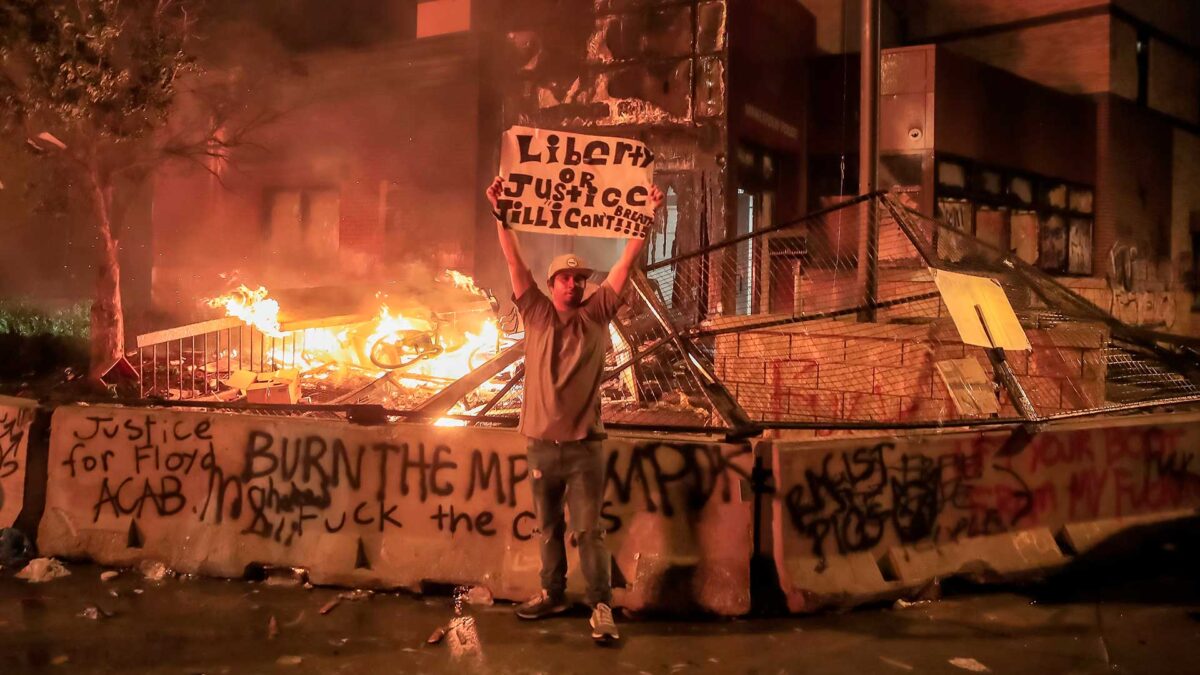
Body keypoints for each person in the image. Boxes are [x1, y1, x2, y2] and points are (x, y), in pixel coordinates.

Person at [485, 175, 664, 644]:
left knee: (589, 532)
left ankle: (601, 606)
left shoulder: (597, 314)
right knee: (548, 529)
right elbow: (513, 259)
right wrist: (502, 214)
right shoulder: (536, 313)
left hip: (585, 447)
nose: (572, 284)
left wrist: (645, 216)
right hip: (542, 446)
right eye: (565, 278)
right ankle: (553, 593)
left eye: (579, 278)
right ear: (552, 284)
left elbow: (625, 262)